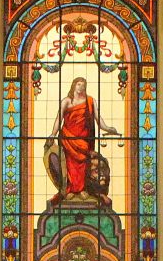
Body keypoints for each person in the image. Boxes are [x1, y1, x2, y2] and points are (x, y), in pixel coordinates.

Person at [46, 76, 118, 206]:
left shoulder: (90, 101)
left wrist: (107, 128)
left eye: (83, 84)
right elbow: (58, 119)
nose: (81, 87)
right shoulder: (67, 101)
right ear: (74, 86)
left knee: (84, 165)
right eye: (78, 84)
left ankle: (82, 189)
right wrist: (53, 133)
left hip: (84, 140)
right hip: (68, 138)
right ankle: (70, 190)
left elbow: (98, 118)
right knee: (69, 165)